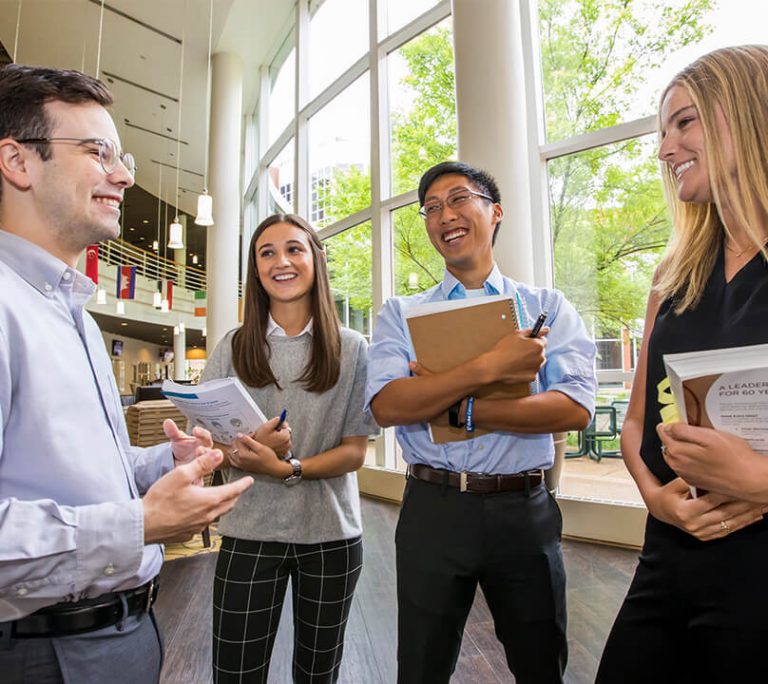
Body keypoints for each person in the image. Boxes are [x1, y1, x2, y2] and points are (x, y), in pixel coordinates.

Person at [0, 64, 254, 682]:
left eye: (124, 157)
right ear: (18, 162)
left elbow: (70, 478)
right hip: (44, 650)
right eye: (98, 151)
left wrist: (160, 468)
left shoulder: (74, 314)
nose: (123, 175)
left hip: (126, 627)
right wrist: (139, 523)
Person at [365, 161, 597, 684]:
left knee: (541, 662)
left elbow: (573, 409)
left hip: (525, 510)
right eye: (430, 208)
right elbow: (389, 406)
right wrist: (490, 368)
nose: (443, 214)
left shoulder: (545, 307)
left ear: (494, 212)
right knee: (421, 666)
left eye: (457, 198)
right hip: (434, 510)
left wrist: (454, 403)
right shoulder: (401, 314)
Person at [596, 45, 768, 683]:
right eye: (662, 132)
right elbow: (636, 424)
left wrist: (760, 481)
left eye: (684, 122)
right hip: (669, 555)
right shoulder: (672, 276)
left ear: (750, 117)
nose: (665, 149)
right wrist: (657, 501)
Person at [201, 213, 378, 683]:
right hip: (248, 534)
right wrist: (250, 447)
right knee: (236, 673)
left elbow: (355, 451)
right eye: (267, 252)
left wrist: (286, 468)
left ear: (317, 260)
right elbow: (211, 439)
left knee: (318, 673)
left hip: (331, 539)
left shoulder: (353, 348)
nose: (282, 261)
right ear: (255, 270)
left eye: (295, 249)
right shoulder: (233, 346)